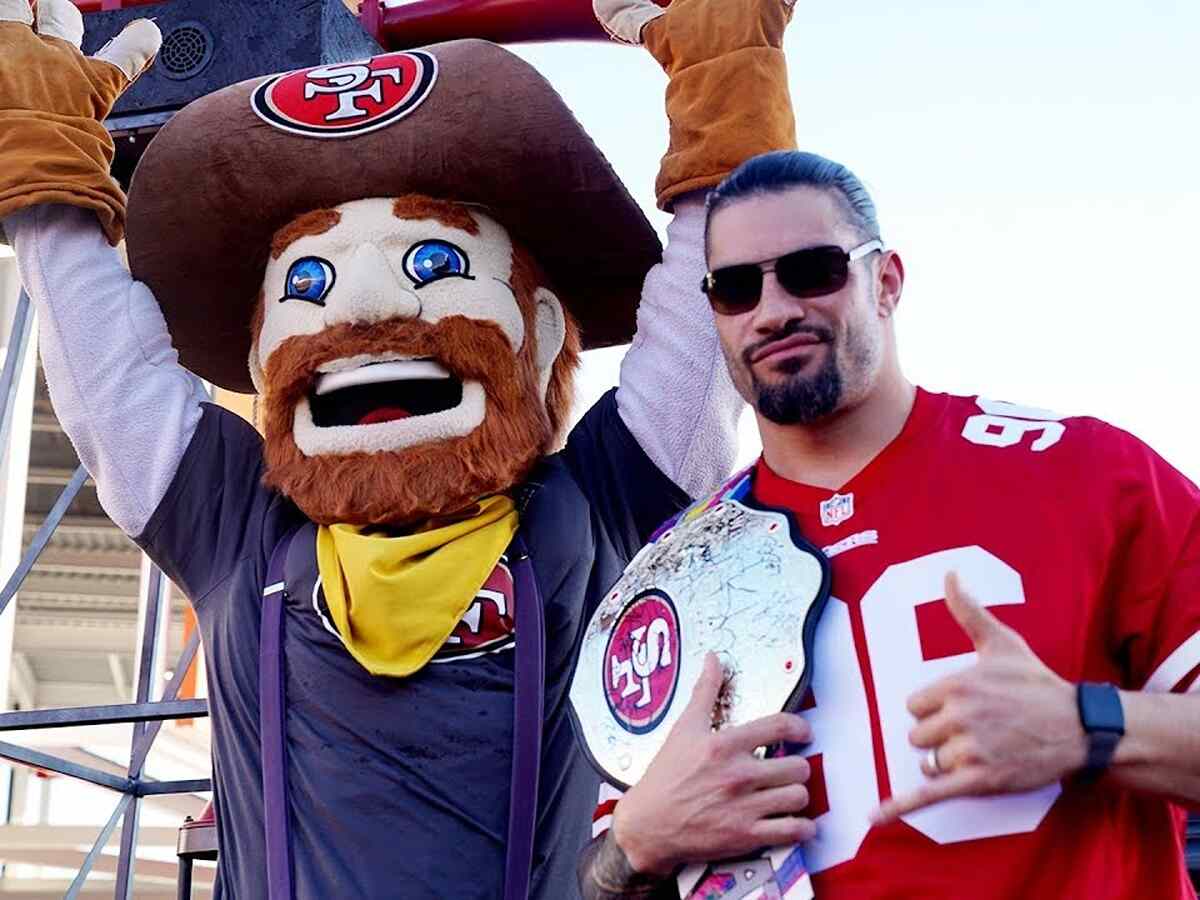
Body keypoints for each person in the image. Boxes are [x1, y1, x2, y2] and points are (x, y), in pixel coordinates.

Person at [0, 0, 806, 893]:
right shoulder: (235, 523)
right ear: (266, 355)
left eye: (436, 265)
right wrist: (44, 180)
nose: (369, 308)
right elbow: (108, 367)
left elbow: (696, 338)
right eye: (311, 282)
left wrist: (725, 89)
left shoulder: (592, 503)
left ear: (536, 332)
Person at [578, 147, 1200, 899]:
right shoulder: (672, 578)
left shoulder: (1088, 472)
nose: (773, 311)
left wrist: (1090, 725)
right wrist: (638, 844)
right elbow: (612, 871)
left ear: (886, 281)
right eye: (737, 289)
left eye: (813, 271)